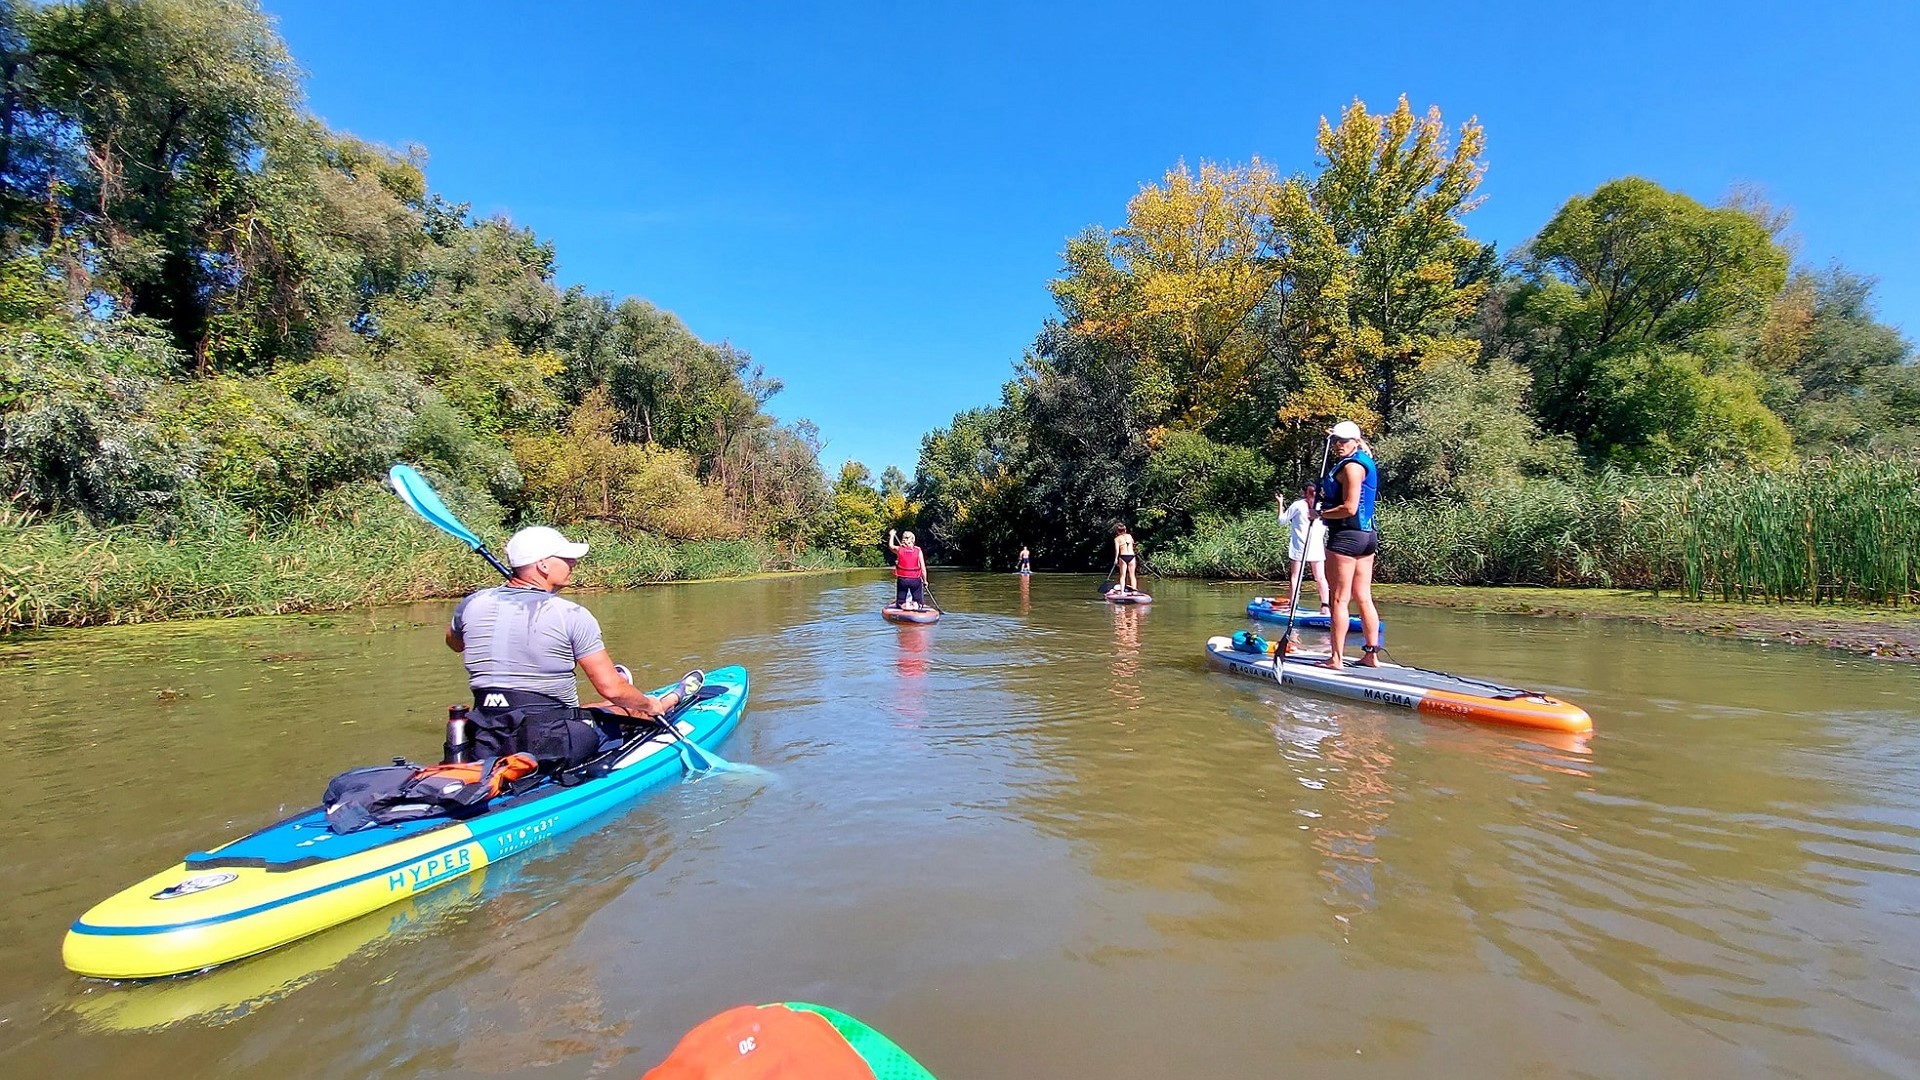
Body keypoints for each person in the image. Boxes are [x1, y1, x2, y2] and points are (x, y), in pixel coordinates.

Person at [446, 525, 701, 769]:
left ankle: (644, 695)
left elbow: (454, 643)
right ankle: (668, 700)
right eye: (566, 558)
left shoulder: (472, 604)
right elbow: (611, 688)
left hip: (486, 738)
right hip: (551, 745)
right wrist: (647, 705)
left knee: (588, 709)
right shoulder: (571, 614)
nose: (573, 563)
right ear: (543, 565)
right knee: (628, 709)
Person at [1317, 421, 1381, 668]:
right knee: (1363, 597)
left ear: (1355, 441)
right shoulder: (1363, 456)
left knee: (1339, 600)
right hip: (1367, 536)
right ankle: (1370, 655)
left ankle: (1336, 659)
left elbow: (1349, 507)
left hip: (1347, 537)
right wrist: (1331, 434)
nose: (1338, 445)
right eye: (1336, 441)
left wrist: (1319, 515)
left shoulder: (1353, 467)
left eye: (1344, 441)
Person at [1275, 482, 1329, 613]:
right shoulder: (1323, 507)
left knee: (1295, 577)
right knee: (1320, 577)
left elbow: (1281, 521)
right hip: (1316, 547)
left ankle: (1293, 606)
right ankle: (1325, 607)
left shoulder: (1298, 505)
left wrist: (1280, 503)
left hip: (1300, 546)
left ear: (1304, 493)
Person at [887, 528, 930, 610]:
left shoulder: (899, 549)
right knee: (918, 600)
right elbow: (923, 569)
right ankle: (917, 604)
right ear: (913, 540)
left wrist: (892, 535)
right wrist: (925, 581)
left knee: (900, 602)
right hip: (916, 580)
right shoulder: (918, 550)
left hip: (903, 580)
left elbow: (890, 546)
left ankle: (903, 604)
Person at [1111, 523, 1139, 595]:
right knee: (1132, 575)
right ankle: (1134, 592)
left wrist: (1116, 559)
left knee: (1122, 575)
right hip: (1131, 556)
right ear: (1125, 530)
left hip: (1123, 556)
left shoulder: (1117, 539)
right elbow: (1133, 543)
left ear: (1117, 531)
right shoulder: (1129, 536)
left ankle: (1122, 592)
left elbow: (1117, 550)